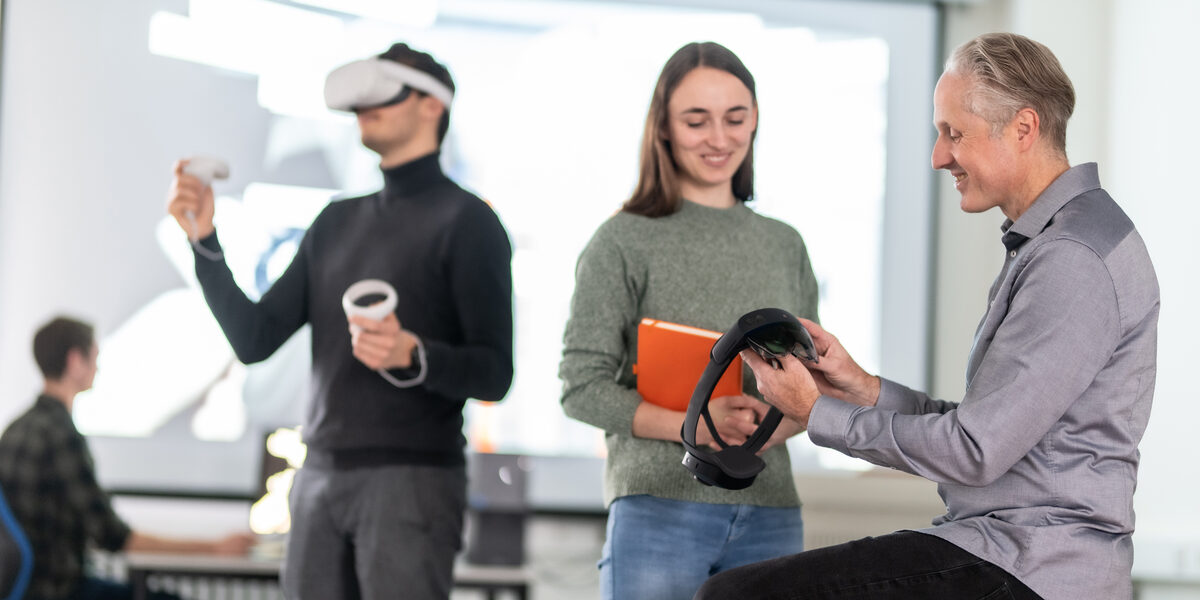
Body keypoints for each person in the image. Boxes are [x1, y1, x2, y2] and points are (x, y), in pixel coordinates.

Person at [695, 32, 1159, 600]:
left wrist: (816, 412)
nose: (939, 157)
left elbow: (974, 450)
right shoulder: (1065, 241)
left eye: (953, 133)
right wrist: (860, 389)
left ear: (1023, 128)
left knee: (736, 598)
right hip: (1015, 550)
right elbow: (984, 430)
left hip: (1034, 566)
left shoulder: (1072, 259)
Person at [164, 43, 514, 599]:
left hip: (412, 480)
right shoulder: (335, 222)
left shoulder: (469, 222)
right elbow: (255, 339)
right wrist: (205, 241)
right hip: (319, 477)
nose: (364, 109)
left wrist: (413, 355)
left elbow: (495, 372)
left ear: (431, 106)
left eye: (385, 93)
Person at [558, 41, 820, 600]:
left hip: (770, 510)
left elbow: (812, 389)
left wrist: (765, 425)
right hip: (658, 510)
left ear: (755, 123)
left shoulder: (784, 244)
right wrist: (698, 426)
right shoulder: (622, 240)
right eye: (696, 120)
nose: (719, 138)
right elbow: (580, 389)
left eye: (735, 118)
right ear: (665, 129)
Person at [0, 316, 254, 600]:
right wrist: (216, 549)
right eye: (95, 356)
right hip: (60, 590)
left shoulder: (14, 431)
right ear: (75, 361)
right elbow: (115, 538)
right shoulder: (61, 436)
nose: (98, 366)